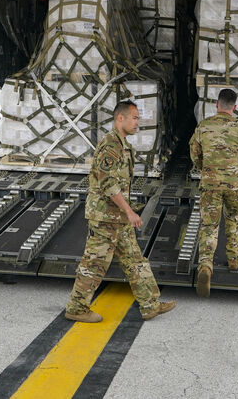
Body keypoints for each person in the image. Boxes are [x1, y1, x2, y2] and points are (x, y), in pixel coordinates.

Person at [65, 101, 175, 322]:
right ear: (120, 119)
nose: (138, 123)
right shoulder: (110, 146)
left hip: (118, 217)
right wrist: (130, 211)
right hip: (105, 216)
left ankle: (150, 304)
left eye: (138, 119)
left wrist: (126, 212)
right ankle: (76, 308)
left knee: (135, 259)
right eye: (134, 118)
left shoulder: (122, 145)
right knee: (94, 264)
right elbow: (108, 184)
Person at [189, 88, 238, 298]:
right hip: (234, 183)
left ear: (217, 104)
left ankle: (206, 265)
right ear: (234, 107)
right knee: (234, 218)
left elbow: (194, 152)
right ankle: (234, 260)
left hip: (210, 183)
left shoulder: (203, 126)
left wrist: (204, 168)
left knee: (209, 224)